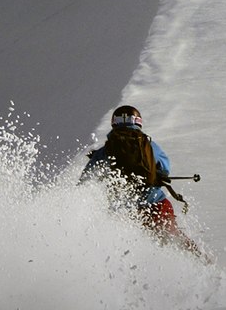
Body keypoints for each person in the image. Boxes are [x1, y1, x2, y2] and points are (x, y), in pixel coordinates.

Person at [81, 104, 201, 253]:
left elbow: (86, 180)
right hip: (155, 205)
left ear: (114, 123)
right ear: (138, 122)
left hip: (124, 214)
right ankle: (203, 264)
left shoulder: (104, 152)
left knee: (131, 252)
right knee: (175, 240)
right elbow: (165, 168)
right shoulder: (149, 145)